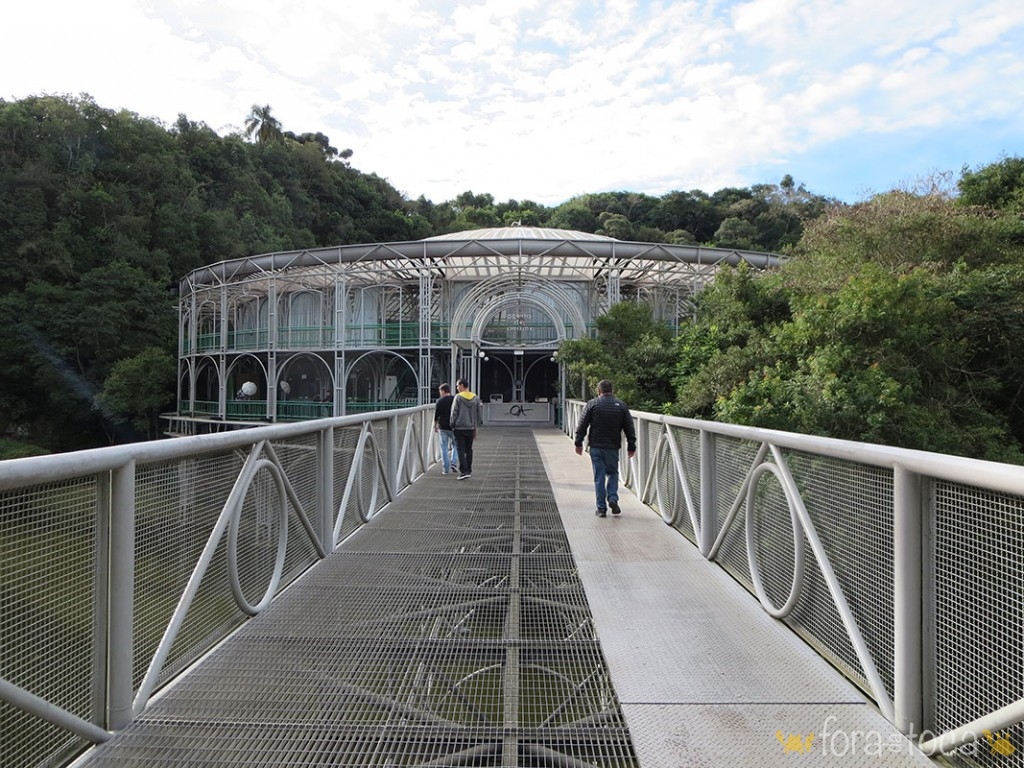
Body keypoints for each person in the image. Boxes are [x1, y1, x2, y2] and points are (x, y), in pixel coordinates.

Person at [574, 379, 636, 517]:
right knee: (613, 473)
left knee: (599, 476)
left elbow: (582, 424)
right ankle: (613, 498)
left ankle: (601, 509)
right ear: (612, 391)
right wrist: (631, 445)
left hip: (596, 446)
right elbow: (629, 428)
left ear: (599, 391)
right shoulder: (621, 406)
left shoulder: (592, 404)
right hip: (613, 446)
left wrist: (578, 442)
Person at [450, 378, 482, 480]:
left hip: (459, 427)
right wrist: (476, 425)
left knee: (460, 450)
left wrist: (452, 424)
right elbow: (478, 413)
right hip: (470, 427)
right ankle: (469, 470)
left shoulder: (458, 397)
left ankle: (463, 471)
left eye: (458, 386)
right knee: (469, 450)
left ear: (462, 385)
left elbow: (454, 412)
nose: (457, 388)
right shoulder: (476, 398)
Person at [433, 383, 457, 475]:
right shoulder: (455, 399)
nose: (440, 393)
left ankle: (445, 469)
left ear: (443, 391)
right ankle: (454, 462)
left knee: (444, 448)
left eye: (440, 391)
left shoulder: (439, 401)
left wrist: (435, 426)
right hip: (453, 426)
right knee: (456, 445)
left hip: (442, 427)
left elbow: (436, 415)